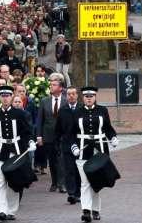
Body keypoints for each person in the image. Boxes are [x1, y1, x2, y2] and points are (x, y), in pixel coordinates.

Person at [0, 86, 36, 221]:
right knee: (0, 182)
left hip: (16, 151)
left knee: (14, 182)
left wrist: (30, 142)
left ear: (12, 97)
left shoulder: (20, 114)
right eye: (3, 95)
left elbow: (28, 132)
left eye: (8, 95)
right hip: (0, 151)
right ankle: (2, 210)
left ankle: (11, 211)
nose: (5, 98)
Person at [70, 87, 118, 223]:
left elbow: (108, 128)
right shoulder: (77, 112)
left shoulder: (103, 110)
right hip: (82, 150)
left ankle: (96, 209)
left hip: (99, 150)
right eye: (86, 96)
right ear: (83, 98)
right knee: (85, 182)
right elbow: (70, 133)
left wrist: (113, 137)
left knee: (96, 181)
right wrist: (73, 146)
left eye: (91, 96)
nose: (89, 98)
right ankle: (86, 210)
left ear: (95, 97)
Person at [36, 73, 67, 193]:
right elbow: (40, 120)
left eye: (54, 85)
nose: (51, 87)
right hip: (48, 135)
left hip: (62, 136)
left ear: (60, 88)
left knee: (62, 159)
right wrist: (39, 135)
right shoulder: (44, 101)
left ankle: (62, 183)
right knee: (52, 160)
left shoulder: (65, 101)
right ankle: (54, 182)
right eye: (51, 84)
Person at [55, 86, 82, 204]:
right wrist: (57, 144)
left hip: (80, 144)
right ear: (66, 96)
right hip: (66, 144)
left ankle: (79, 193)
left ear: (77, 95)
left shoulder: (82, 109)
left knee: (79, 170)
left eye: (73, 94)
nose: (71, 96)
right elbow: (58, 129)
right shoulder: (62, 110)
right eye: (69, 94)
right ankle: (71, 193)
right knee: (69, 169)